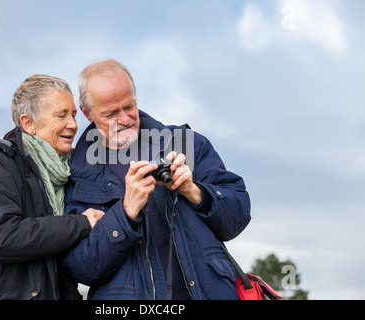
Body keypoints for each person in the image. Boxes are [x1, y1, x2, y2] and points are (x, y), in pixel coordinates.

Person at [61, 59, 251, 300]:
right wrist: (126, 212)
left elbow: (239, 216)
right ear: (87, 113)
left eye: (129, 106)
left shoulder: (185, 143)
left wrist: (194, 192)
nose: (124, 119)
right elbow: (82, 267)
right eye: (110, 113)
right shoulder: (77, 175)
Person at [0, 74, 104, 300]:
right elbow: (0, 238)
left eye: (73, 114)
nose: (73, 124)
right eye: (61, 115)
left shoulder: (69, 174)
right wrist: (81, 223)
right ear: (28, 123)